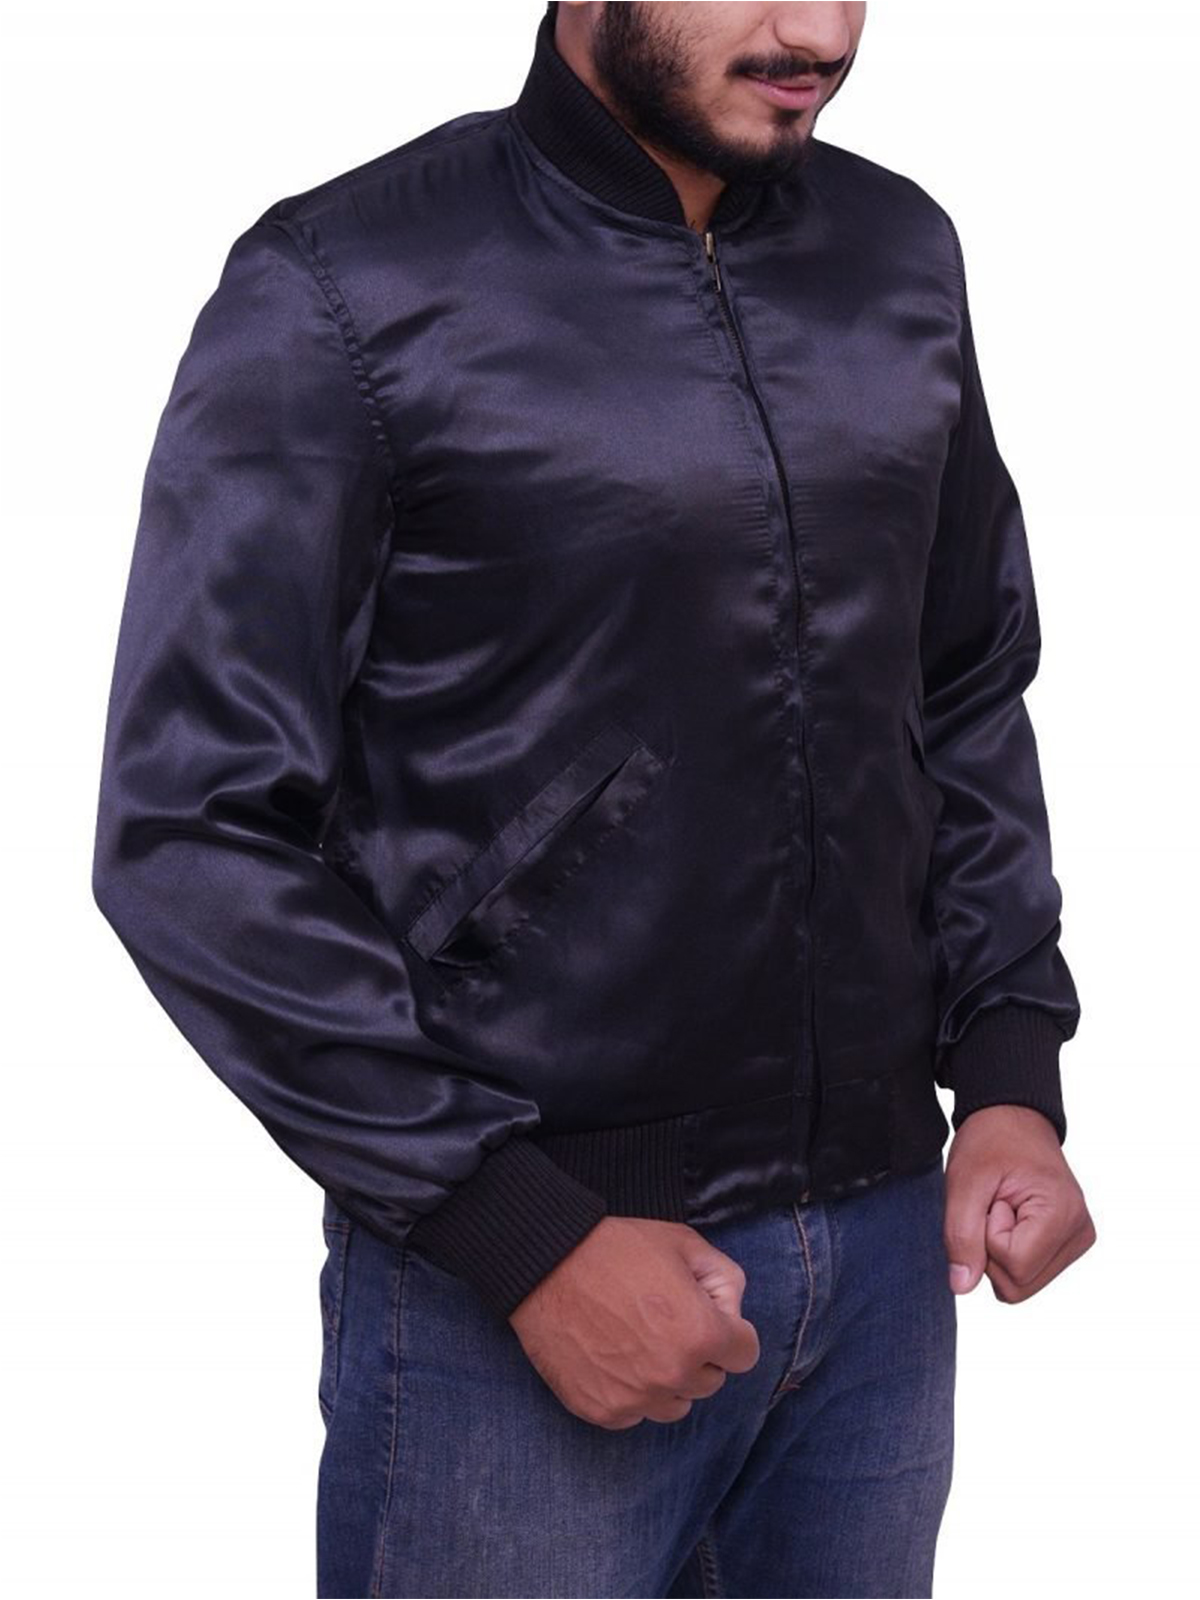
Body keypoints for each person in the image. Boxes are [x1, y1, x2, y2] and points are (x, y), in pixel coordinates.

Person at [91, 2, 1097, 1595]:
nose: (816, 30)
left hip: (888, 1268)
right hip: (524, 1289)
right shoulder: (348, 288)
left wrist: (1009, 1071)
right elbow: (190, 824)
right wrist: (513, 1228)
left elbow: (961, 679)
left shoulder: (898, 253)